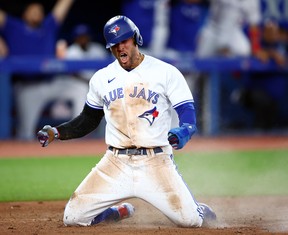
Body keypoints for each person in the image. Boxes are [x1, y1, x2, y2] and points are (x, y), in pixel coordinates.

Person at [36, 15, 217, 227]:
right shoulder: (101, 78)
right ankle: (116, 213)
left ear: (136, 38)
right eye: (114, 44)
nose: (120, 47)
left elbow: (186, 110)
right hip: (115, 162)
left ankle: (200, 211)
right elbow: (88, 119)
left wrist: (185, 130)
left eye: (124, 41)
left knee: (190, 221)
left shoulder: (165, 72)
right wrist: (56, 132)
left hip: (155, 162)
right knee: (73, 218)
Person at [0, 0, 75, 140]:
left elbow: (63, 5)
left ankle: (78, 138)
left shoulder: (48, 27)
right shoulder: (14, 26)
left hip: (53, 83)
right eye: (33, 10)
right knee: (26, 132)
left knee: (80, 89)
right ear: (24, 14)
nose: (37, 13)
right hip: (28, 87)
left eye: (40, 11)